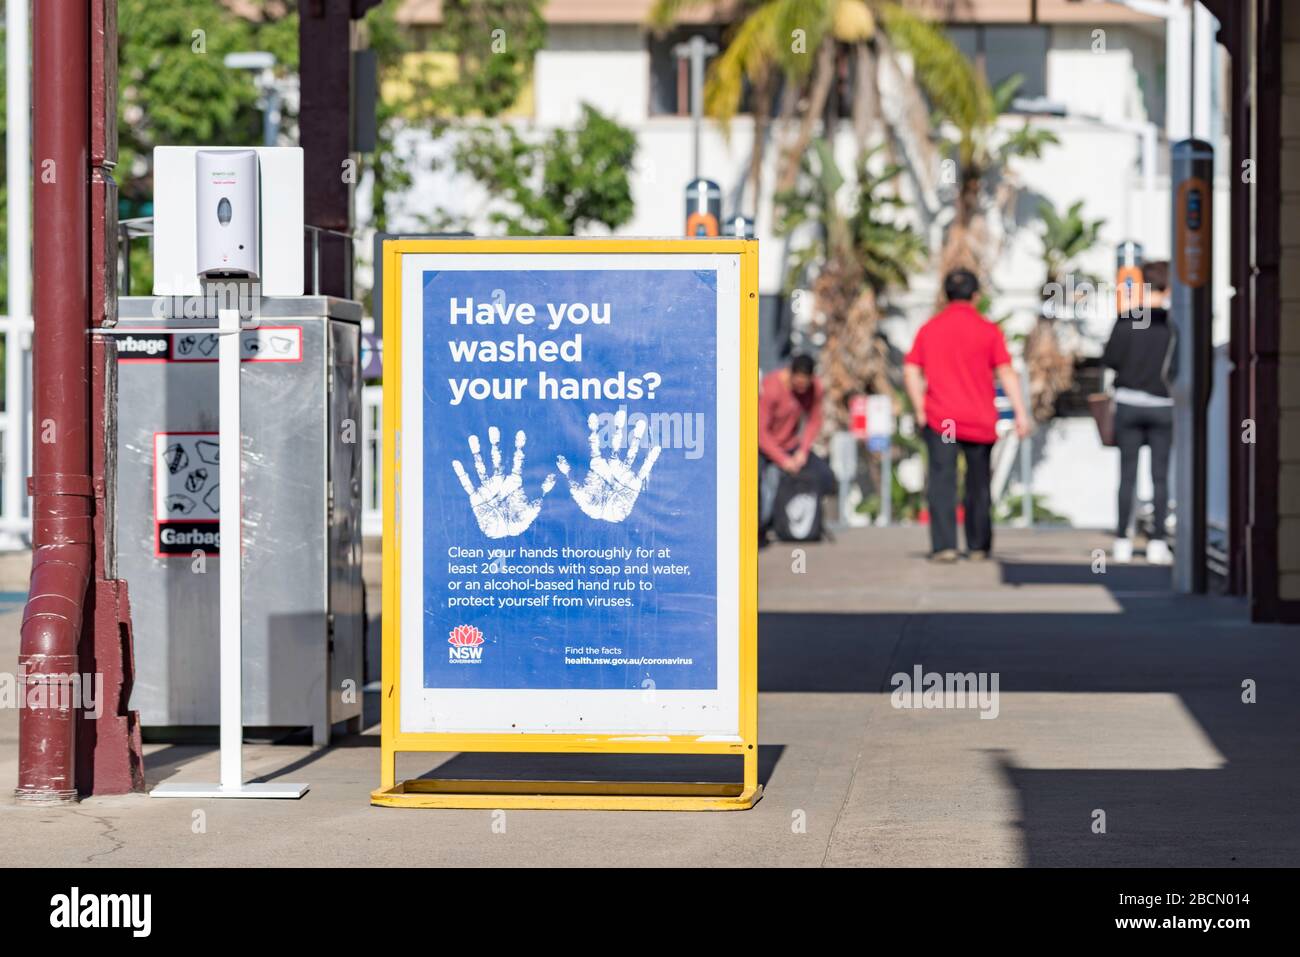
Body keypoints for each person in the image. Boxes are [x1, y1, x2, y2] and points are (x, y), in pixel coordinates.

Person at [903, 268, 1031, 563]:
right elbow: (1006, 372)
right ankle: (978, 545)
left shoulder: (930, 329)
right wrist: (1021, 414)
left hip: (942, 421)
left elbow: (911, 369)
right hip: (979, 420)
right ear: (976, 296)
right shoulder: (988, 330)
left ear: (946, 295)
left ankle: (944, 546)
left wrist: (921, 409)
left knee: (942, 480)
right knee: (978, 484)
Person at [1102, 260, 1174, 565]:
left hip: (1129, 404)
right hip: (1164, 406)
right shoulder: (1174, 325)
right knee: (1160, 477)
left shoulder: (1126, 320)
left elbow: (1111, 359)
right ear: (1169, 286)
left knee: (1127, 475)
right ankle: (1157, 541)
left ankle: (1122, 540)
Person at [758, 354, 834, 538]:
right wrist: (783, 460)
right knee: (757, 485)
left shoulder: (814, 388)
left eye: (804, 385)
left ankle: (806, 524)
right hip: (764, 447)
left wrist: (803, 451)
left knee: (825, 476)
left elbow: (814, 421)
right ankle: (760, 527)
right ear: (790, 374)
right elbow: (760, 432)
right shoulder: (771, 388)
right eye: (798, 384)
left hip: (791, 446)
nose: (801, 389)